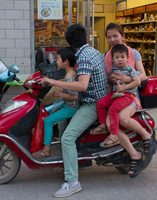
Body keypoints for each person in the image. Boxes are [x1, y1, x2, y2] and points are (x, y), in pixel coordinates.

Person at [39, 24, 108, 198]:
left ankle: (72, 182)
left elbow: (82, 85)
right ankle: (67, 161)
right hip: (92, 99)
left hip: (92, 104)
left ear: (69, 42)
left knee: (68, 137)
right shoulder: (94, 51)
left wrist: (54, 83)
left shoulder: (83, 57)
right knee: (61, 123)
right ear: (85, 37)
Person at [91, 22, 156, 178]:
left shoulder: (133, 52)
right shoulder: (106, 55)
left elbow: (142, 75)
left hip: (130, 96)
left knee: (121, 118)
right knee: (108, 123)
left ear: (122, 36)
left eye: (115, 35)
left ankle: (146, 136)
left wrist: (126, 79)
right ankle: (134, 154)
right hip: (115, 95)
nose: (113, 39)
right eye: (109, 37)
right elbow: (105, 78)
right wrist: (110, 79)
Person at [32, 47, 80, 158]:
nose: (56, 61)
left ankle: (46, 150)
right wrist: (51, 82)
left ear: (66, 61)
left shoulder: (71, 76)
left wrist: (60, 94)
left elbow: (75, 96)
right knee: (49, 116)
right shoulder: (71, 73)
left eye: (58, 59)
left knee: (48, 121)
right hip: (66, 105)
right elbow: (64, 82)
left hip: (70, 108)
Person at [96, 44, 141, 148]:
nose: (120, 60)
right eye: (117, 57)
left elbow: (137, 81)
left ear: (127, 58)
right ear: (112, 59)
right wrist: (107, 96)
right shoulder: (113, 71)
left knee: (113, 109)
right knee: (100, 103)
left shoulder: (130, 70)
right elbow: (111, 86)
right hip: (115, 94)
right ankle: (103, 125)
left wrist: (125, 88)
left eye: (122, 57)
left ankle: (114, 135)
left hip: (127, 95)